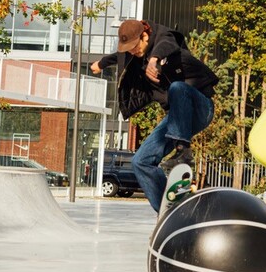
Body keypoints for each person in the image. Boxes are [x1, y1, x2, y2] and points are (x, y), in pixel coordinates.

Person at [91, 19, 218, 212]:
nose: (133, 52)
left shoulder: (163, 38)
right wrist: (100, 64)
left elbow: (168, 43)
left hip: (200, 106)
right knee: (140, 162)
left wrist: (154, 59)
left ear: (145, 36)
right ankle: (168, 213)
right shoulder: (132, 54)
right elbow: (117, 56)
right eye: (130, 49)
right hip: (176, 119)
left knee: (177, 88)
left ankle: (184, 153)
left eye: (135, 47)